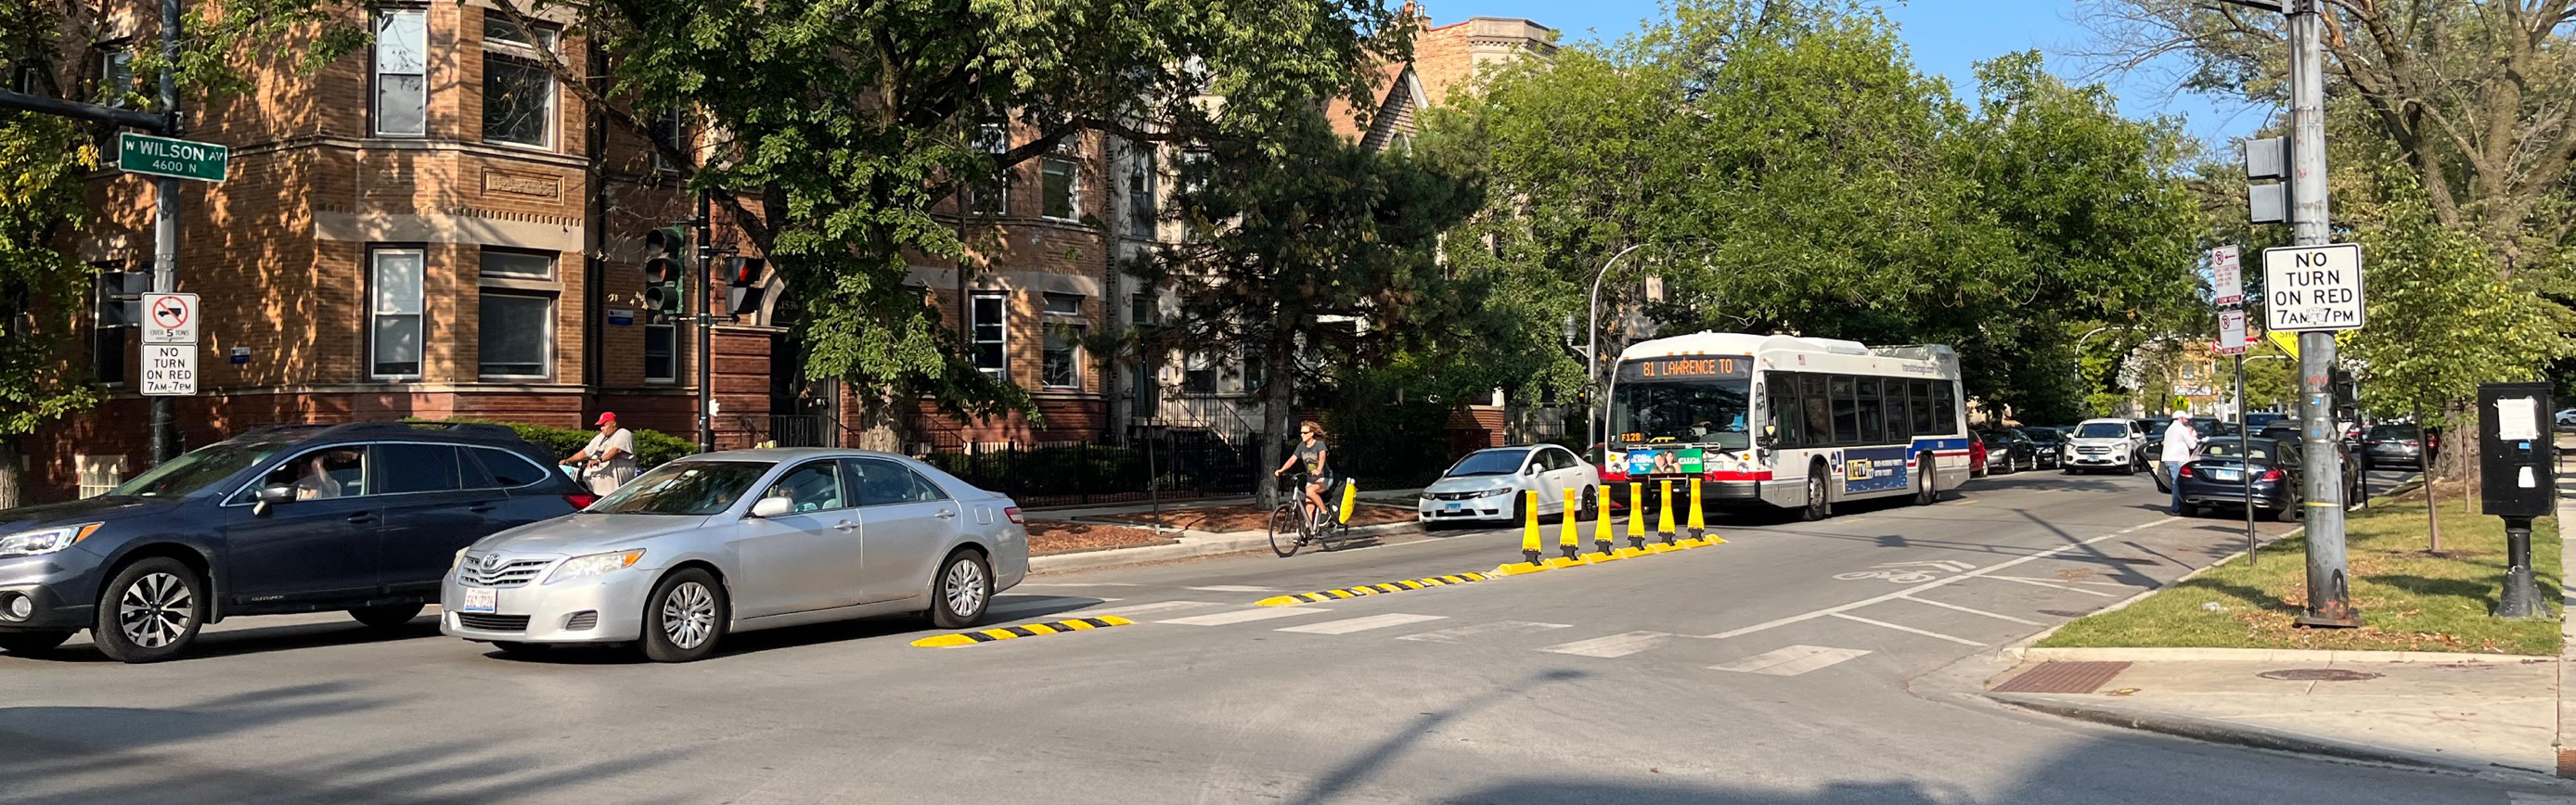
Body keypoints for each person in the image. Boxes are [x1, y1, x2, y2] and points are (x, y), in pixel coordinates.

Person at [1273, 422, 1333, 528]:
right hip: (1311, 479)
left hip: (1324, 477)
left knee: (1309, 491)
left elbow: (1322, 458)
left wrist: (1319, 469)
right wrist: (1281, 470)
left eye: (1305, 433)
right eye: (1301, 433)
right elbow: (1292, 459)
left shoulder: (1319, 445)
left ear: (1312, 433)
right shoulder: (1301, 446)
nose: (1302, 435)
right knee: (1309, 508)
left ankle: (1325, 513)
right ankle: (1307, 533)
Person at [564, 412, 638, 495]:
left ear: (614, 423)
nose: (602, 428)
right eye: (601, 426)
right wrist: (567, 461)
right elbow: (585, 452)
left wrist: (599, 460)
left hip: (613, 493)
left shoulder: (623, 433)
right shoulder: (601, 437)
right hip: (593, 490)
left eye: (604, 425)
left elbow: (617, 450)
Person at [2160, 411, 2201, 515]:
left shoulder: (2169, 429)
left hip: (2168, 459)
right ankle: (2176, 508)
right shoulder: (2181, 429)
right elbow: (2191, 445)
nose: (2187, 420)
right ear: (2180, 418)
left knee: (2175, 483)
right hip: (2178, 459)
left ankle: (2176, 506)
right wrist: (2196, 441)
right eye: (2185, 418)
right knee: (2177, 484)